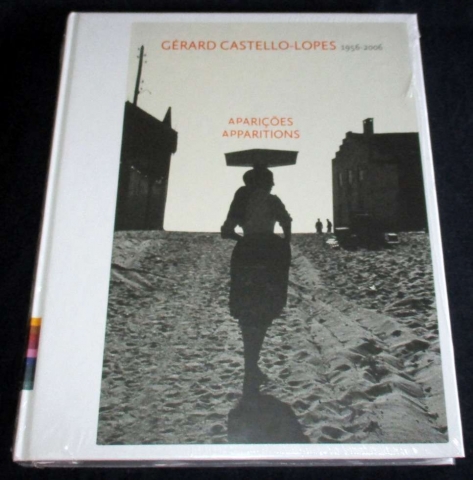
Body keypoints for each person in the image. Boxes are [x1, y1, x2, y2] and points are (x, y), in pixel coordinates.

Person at [221, 168, 292, 397]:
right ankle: (252, 364)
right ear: (264, 182)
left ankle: (250, 365)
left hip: (246, 253)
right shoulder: (272, 200)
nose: (273, 185)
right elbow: (286, 223)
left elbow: (226, 231)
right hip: (269, 253)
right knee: (264, 310)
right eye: (270, 180)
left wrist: (245, 239)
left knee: (247, 310)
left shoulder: (240, 200)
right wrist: (283, 242)